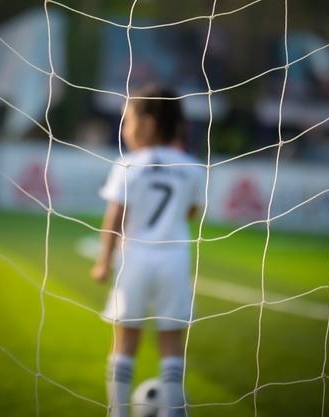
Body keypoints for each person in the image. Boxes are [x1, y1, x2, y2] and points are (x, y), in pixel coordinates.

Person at [91, 84, 207, 417]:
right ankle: (173, 411)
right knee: (171, 343)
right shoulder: (193, 167)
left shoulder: (128, 164)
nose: (124, 129)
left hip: (135, 260)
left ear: (148, 123)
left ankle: (118, 411)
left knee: (126, 340)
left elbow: (114, 219)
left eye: (127, 121)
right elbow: (190, 212)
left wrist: (103, 262)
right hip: (174, 260)